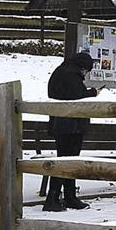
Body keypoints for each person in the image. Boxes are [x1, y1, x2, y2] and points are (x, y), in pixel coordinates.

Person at [43, 50, 96, 211]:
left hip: (60, 124)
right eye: (87, 71)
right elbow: (77, 97)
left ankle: (66, 196)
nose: (86, 75)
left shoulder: (61, 71)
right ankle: (56, 198)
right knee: (67, 161)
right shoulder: (71, 75)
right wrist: (93, 92)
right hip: (72, 126)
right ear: (83, 67)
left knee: (64, 160)